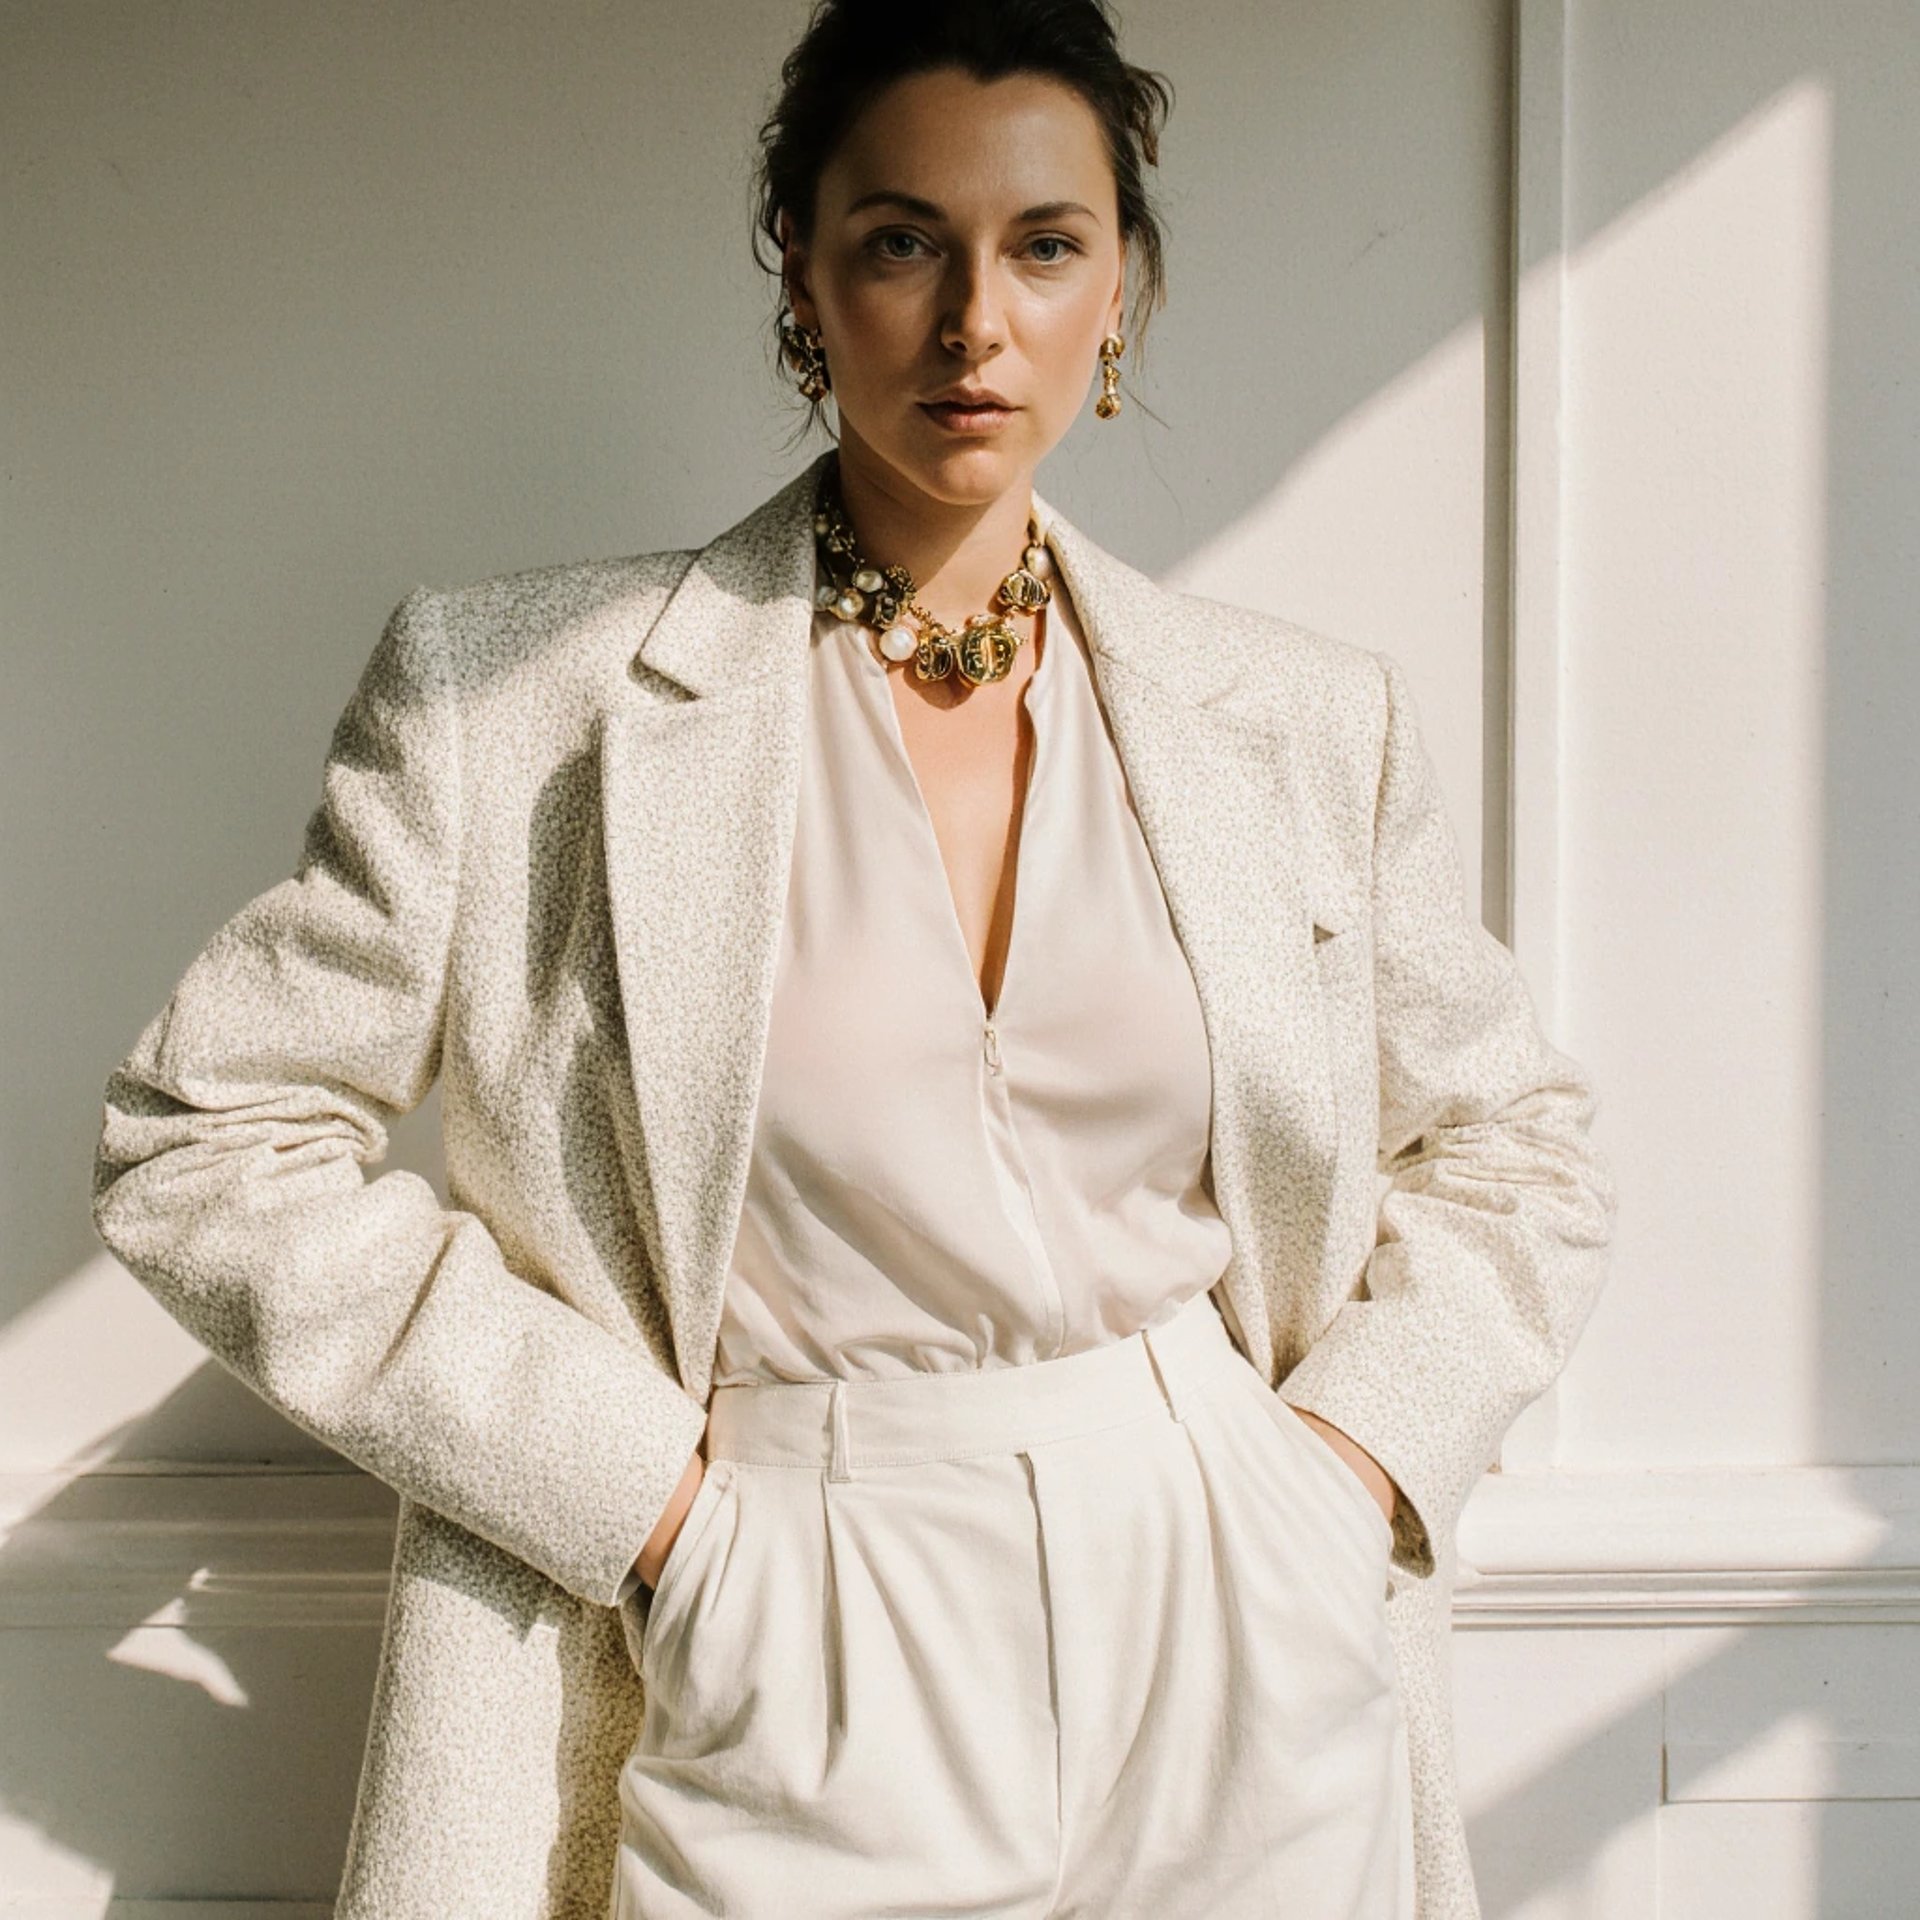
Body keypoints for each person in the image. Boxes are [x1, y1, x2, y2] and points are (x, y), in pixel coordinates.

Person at [90, 3, 1616, 1917]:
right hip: (779, 1589)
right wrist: (650, 1512)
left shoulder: (1298, 722)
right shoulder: (517, 696)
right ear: (803, 277)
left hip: (1238, 1598)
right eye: (904, 240)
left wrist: (1343, 1475)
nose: (977, 318)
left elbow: (1517, 1152)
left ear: (1117, 289)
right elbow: (204, 1135)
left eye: (1045, 245)